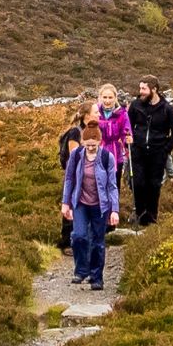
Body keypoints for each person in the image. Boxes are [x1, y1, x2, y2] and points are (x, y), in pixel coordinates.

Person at [59, 117, 119, 290]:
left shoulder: (108, 158)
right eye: (88, 145)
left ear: (99, 142)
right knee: (79, 236)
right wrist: (66, 202)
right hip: (80, 203)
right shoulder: (76, 156)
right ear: (83, 142)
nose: (90, 148)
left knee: (97, 242)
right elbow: (69, 179)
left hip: (100, 205)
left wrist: (114, 210)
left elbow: (112, 186)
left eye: (94, 145)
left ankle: (96, 277)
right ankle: (81, 270)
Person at [126, 80, 173, 227]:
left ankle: (151, 220)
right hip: (138, 150)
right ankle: (139, 215)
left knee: (154, 185)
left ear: (154, 89)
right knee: (137, 183)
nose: (141, 92)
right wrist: (129, 143)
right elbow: (128, 126)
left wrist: (166, 148)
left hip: (158, 152)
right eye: (140, 88)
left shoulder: (167, 109)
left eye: (144, 89)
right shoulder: (135, 105)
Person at [54, 102, 89, 252]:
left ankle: (81, 240)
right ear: (87, 116)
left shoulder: (90, 130)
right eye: (96, 112)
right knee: (71, 206)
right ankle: (67, 242)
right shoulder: (76, 132)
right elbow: (74, 156)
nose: (99, 115)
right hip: (75, 174)